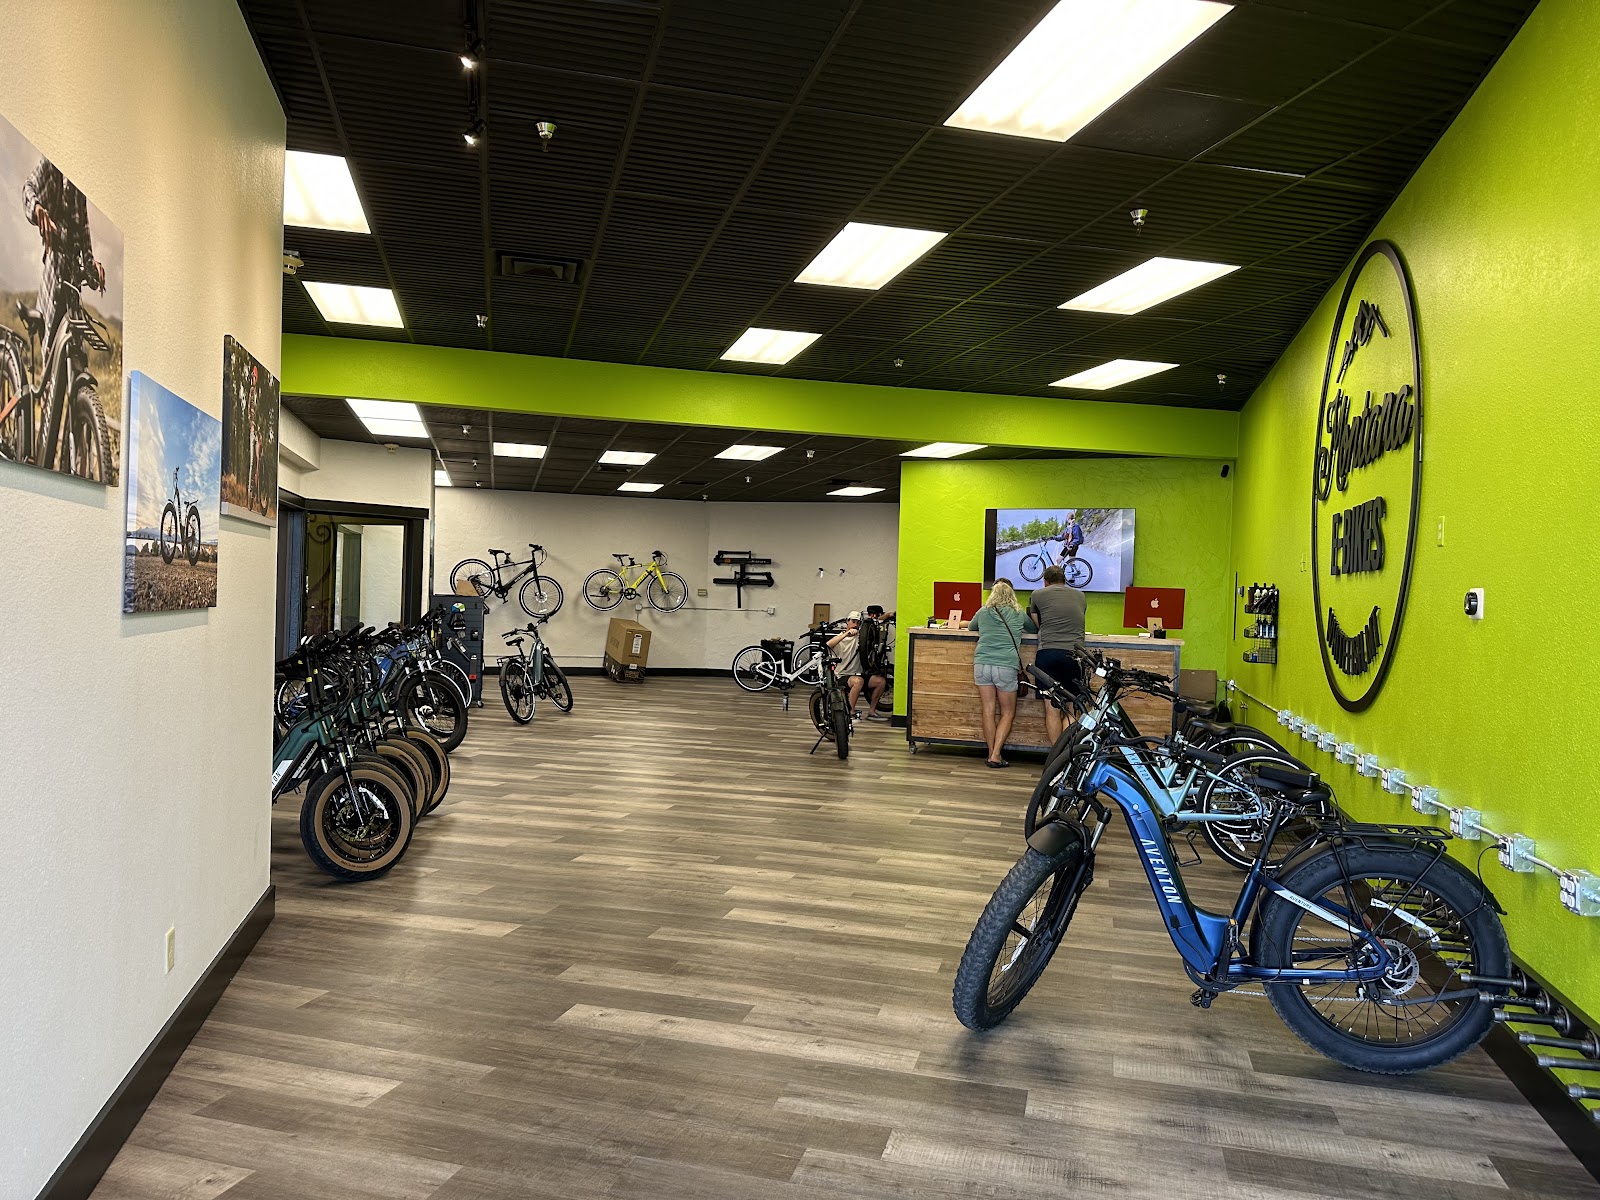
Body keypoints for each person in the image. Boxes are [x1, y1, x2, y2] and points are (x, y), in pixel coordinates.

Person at [966, 580, 1035, 768]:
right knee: (1007, 712)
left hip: (981, 664)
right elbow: (1034, 630)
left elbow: (972, 627)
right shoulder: (1018, 613)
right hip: (1005, 666)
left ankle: (991, 753)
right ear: (1011, 594)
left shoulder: (983, 611)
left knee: (988, 710)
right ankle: (996, 755)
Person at [1028, 564, 1088, 744]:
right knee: (1072, 707)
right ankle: (1067, 756)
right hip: (1075, 655)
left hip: (1048, 654)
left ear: (1045, 582)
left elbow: (1038, 622)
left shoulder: (1037, 594)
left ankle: (1056, 756)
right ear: (1064, 580)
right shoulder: (1080, 595)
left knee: (1052, 707)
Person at [827, 612, 887, 721]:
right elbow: (828, 645)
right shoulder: (840, 638)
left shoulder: (861, 637)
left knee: (880, 682)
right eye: (853, 621)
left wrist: (887, 615)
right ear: (847, 622)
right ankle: (850, 712)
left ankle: (872, 712)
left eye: (858, 622)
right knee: (858, 681)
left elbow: (876, 623)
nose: (855, 624)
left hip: (858, 674)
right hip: (842, 676)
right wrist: (846, 634)